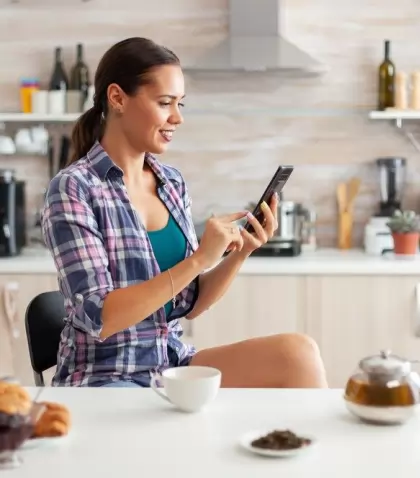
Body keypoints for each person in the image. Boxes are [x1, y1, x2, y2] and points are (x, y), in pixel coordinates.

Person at [42, 37, 328, 389]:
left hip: (171, 363)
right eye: (165, 103)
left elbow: (189, 304)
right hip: (106, 375)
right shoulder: (73, 188)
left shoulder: (171, 182)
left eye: (180, 104)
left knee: (297, 354)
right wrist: (199, 259)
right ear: (117, 98)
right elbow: (101, 316)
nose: (177, 117)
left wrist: (242, 252)